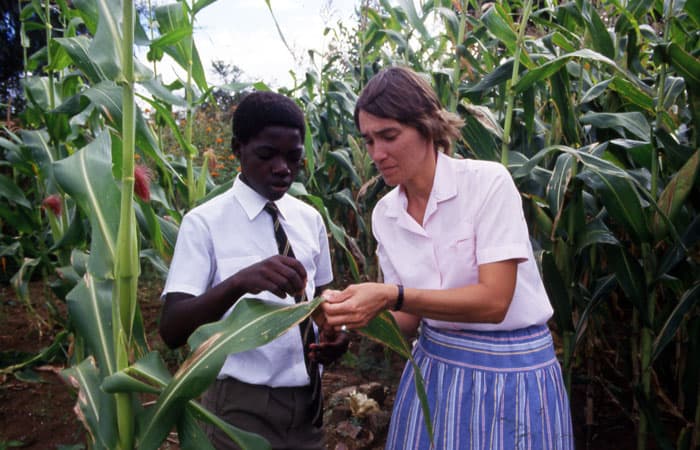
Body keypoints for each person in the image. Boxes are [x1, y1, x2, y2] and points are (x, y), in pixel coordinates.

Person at [321, 66, 574, 449]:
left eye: (389, 136)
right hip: (436, 373)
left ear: (428, 126)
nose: (377, 153)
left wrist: (392, 294)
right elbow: (407, 321)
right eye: (369, 140)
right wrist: (348, 314)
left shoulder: (488, 184)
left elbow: (494, 302)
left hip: (512, 375)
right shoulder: (386, 214)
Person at [159, 91, 348, 450]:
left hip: (309, 405)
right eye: (267, 155)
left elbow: (324, 301)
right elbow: (171, 329)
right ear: (237, 149)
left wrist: (337, 335)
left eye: (294, 158)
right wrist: (239, 283)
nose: (283, 168)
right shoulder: (204, 223)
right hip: (239, 407)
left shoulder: (309, 219)